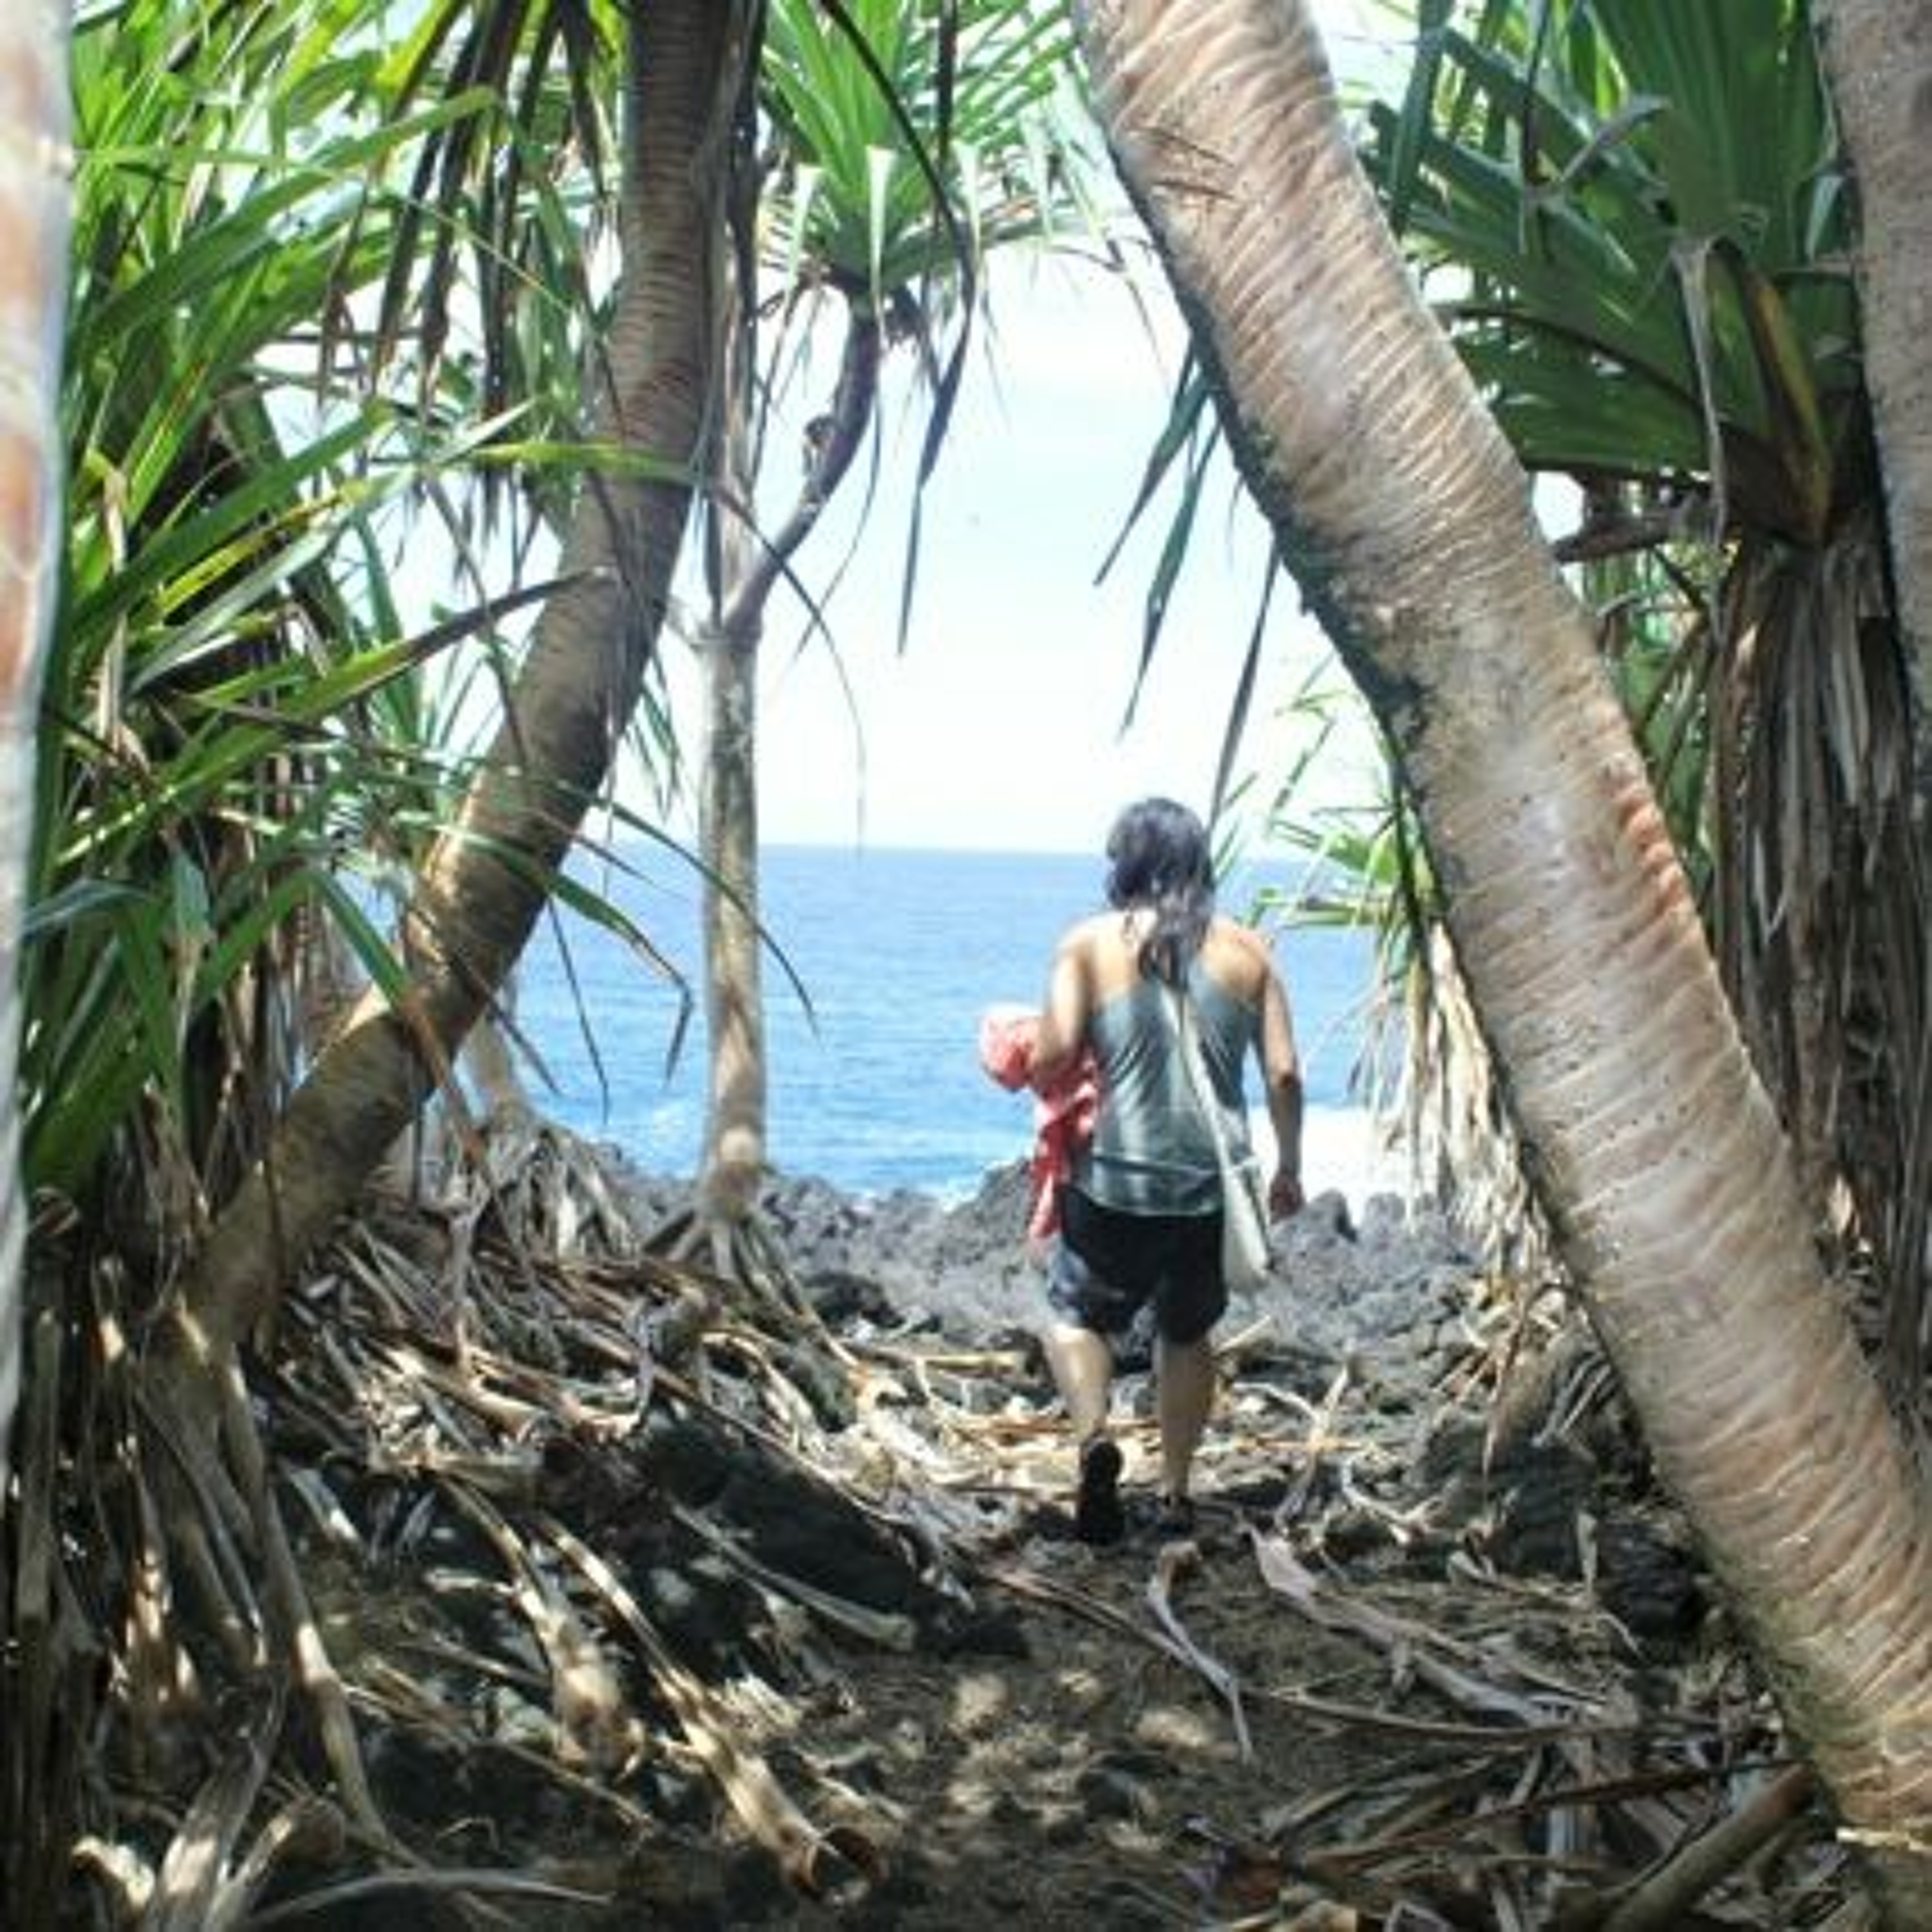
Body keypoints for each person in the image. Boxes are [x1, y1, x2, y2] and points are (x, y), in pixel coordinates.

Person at [1026, 797, 1304, 1543]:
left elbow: (1052, 1055)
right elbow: (1284, 1075)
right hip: (1211, 1189)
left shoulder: (1087, 944)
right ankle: (1176, 1494)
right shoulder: (1249, 951)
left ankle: (1096, 1440)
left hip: (1113, 1182)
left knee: (1076, 1318)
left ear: (1127, 865)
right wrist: (1289, 1169)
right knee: (1186, 1333)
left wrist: (1026, 1049)